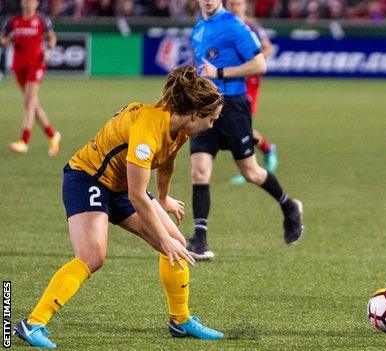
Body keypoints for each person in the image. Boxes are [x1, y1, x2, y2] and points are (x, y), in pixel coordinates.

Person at [13, 66, 225, 349]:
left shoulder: (181, 128)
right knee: (92, 256)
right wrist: (162, 238)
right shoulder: (148, 129)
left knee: (176, 243)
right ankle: (33, 323)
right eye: (211, 120)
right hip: (88, 178)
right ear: (195, 114)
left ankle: (180, 320)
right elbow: (138, 195)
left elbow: (167, 162)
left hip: (122, 184)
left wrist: (164, 199)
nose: (211, 126)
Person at [186, 0, 303, 261]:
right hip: (205, 106)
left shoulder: (235, 27)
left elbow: (260, 65)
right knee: (199, 170)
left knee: (250, 172)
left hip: (233, 108)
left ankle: (289, 206)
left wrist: (221, 72)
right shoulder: (198, 28)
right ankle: (200, 240)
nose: (207, 0)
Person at [226, 0, 278, 185]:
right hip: (230, 78)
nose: (234, 7)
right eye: (231, 3)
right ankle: (264, 151)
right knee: (235, 123)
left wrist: (252, 61)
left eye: (237, 3)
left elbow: (268, 48)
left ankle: (253, 165)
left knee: (242, 123)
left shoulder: (252, 26)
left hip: (250, 79)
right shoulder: (224, 24)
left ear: (245, 5)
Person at [1, 0, 61, 156]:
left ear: (36, 3)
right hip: (18, 66)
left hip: (36, 64)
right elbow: (4, 38)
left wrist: (49, 49)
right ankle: (52, 135)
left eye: (31, 1)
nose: (28, 3)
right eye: (25, 1)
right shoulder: (13, 21)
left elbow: (52, 38)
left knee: (29, 101)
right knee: (32, 103)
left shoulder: (42, 20)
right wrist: (6, 41)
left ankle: (24, 141)